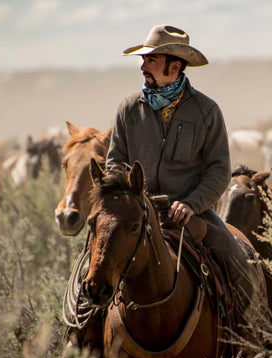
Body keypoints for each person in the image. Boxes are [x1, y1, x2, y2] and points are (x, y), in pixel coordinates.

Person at [106, 24, 258, 311]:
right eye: (143, 59)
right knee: (92, 267)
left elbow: (218, 170)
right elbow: (115, 161)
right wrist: (128, 199)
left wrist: (191, 203)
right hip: (136, 212)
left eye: (151, 60)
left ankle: (246, 342)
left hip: (191, 214)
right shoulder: (128, 108)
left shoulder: (206, 112)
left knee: (241, 266)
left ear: (174, 67)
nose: (143, 67)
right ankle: (79, 338)